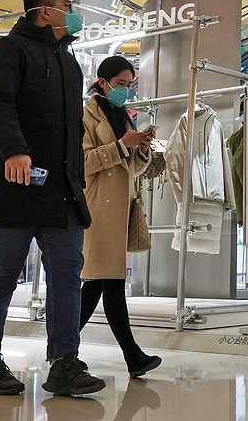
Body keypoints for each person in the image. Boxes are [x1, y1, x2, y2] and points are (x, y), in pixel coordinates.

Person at [0, 0, 105, 397]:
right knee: (1, 274)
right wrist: (14, 149)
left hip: (61, 192)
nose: (73, 10)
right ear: (46, 12)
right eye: (68, 4)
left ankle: (65, 363)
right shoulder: (12, 49)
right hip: (16, 186)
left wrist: (77, 178)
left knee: (67, 275)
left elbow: (71, 131)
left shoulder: (68, 60)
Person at [78, 56, 163, 379]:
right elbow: (81, 163)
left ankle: (62, 347)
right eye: (121, 84)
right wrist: (120, 146)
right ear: (103, 82)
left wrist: (140, 149)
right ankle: (132, 355)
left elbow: (133, 170)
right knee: (108, 281)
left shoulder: (123, 117)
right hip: (98, 207)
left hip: (119, 209)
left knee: (100, 282)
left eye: (129, 85)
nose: (125, 91)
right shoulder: (84, 113)